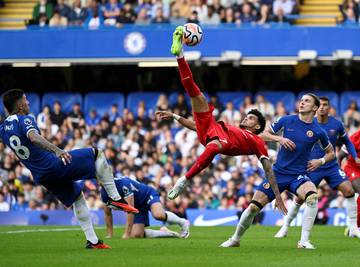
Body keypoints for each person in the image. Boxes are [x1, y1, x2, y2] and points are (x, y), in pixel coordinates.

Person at [165, 26, 286, 223]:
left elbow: (268, 169)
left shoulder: (256, 141)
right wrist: (175, 116)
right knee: (193, 90)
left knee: (216, 145)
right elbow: (197, 128)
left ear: (257, 127)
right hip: (210, 128)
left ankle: (184, 180)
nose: (246, 118)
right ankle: (179, 54)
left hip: (219, 141)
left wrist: (278, 195)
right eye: (247, 116)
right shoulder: (234, 127)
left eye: (251, 118)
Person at [0, 89, 138, 249]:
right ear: (20, 105)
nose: (29, 102)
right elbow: (34, 137)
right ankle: (114, 197)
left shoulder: (3, 129)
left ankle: (92, 241)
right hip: (52, 165)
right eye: (26, 100)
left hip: (41, 176)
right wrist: (57, 150)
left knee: (77, 197)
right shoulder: (24, 119)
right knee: (97, 153)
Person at [219, 94, 336, 249]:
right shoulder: (286, 120)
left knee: (312, 197)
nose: (302, 103)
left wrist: (319, 161)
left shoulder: (318, 131)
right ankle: (235, 239)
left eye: (306, 101)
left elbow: (331, 153)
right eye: (301, 100)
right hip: (278, 173)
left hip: (298, 176)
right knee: (253, 207)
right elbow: (262, 134)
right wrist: (279, 139)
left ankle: (304, 241)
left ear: (315, 108)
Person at [274, 96, 360, 239]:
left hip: (330, 166)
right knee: (300, 199)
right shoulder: (308, 123)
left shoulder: (337, 124)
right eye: (321, 104)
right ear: (316, 108)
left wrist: (355, 157)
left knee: (349, 190)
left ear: (328, 107)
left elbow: (347, 142)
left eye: (325, 105)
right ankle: (285, 226)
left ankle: (353, 228)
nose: (323, 107)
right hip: (312, 167)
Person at [102, 176, 190, 239]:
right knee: (137, 235)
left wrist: (126, 234)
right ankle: (169, 234)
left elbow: (130, 209)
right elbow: (107, 213)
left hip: (147, 194)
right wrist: (109, 234)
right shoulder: (104, 193)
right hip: (137, 205)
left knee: (158, 215)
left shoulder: (123, 184)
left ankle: (183, 222)